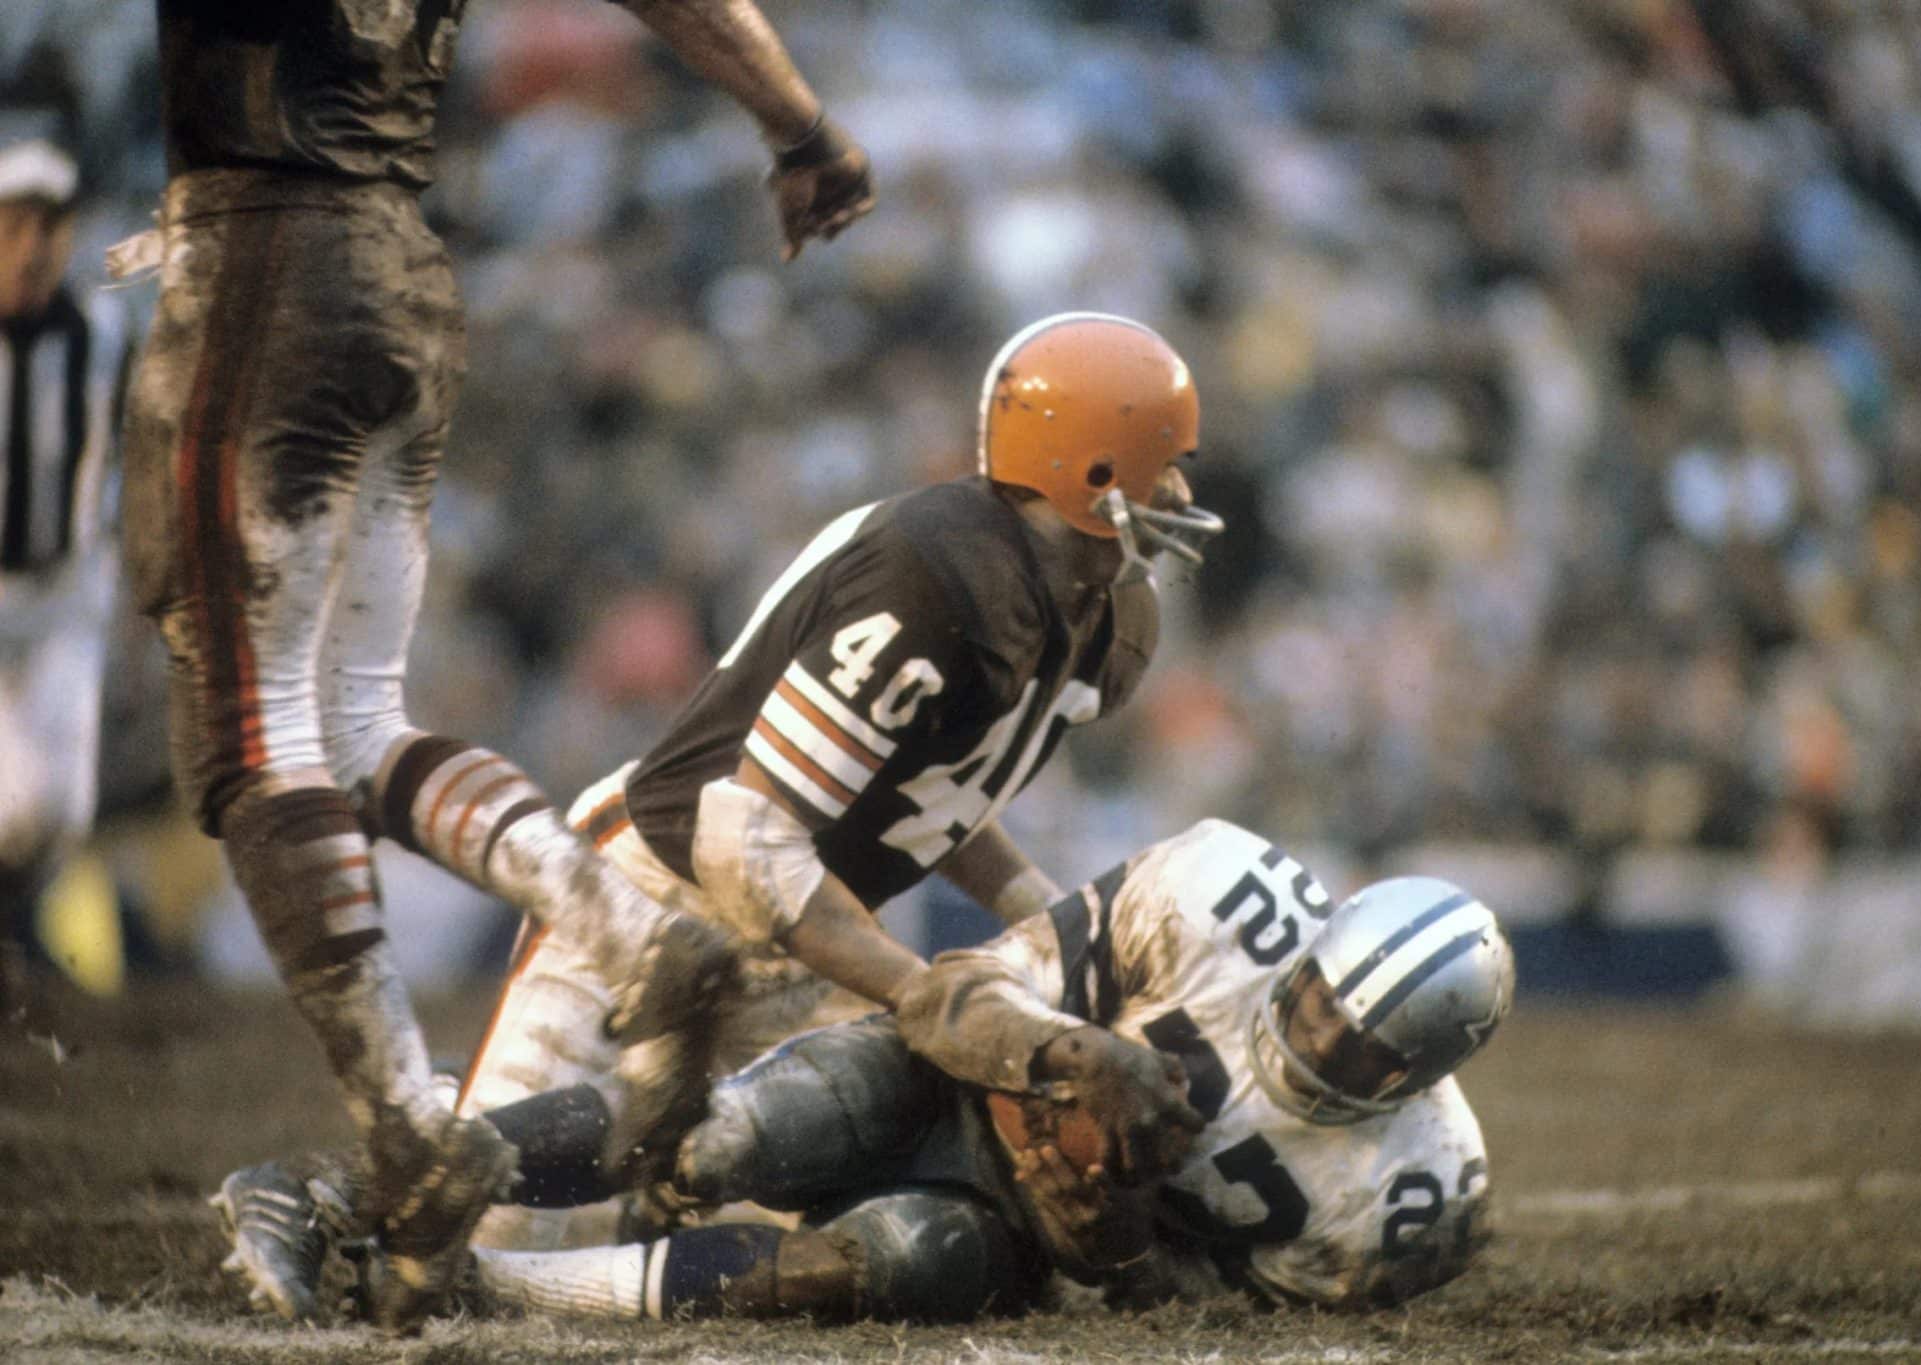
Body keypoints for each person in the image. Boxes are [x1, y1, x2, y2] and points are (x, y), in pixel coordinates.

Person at [209, 309, 1225, 1317]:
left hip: (818, 937)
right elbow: (747, 838)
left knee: (846, 1241)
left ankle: (507, 1133)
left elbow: (944, 795)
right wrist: (933, 999)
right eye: (1161, 464)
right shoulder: (934, 571)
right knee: (491, 1243)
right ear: (1091, 470)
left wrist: (1040, 931)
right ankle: (317, 1190)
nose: (1179, 492)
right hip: (662, 905)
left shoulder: (1107, 613)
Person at [119, 0, 877, 1332]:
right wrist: (795, 117)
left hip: (265, 248)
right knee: (352, 729)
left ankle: (413, 1128)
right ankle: (629, 930)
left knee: (247, 742)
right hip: (403, 264)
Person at [217, 818, 1515, 1322]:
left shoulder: (1415, 1197)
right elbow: (967, 994)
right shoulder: (1221, 891)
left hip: (1025, 1238)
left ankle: (494, 1288)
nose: (1323, 1039)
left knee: (890, 1264)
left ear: (1420, 1074)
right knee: (726, 1136)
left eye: (1363, 1048)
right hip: (958, 1077)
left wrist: (1117, 1249)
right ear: (1316, 945)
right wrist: (1060, 1066)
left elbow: (1218, 1312)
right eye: (1324, 1003)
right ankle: (341, 1190)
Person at [0, 134, 130, 970]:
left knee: (68, 809)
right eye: (14, 225)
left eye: (50, 226)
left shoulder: (101, 329)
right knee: (15, 803)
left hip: (67, 590)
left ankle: (15, 938)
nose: (32, 248)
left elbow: (123, 453)